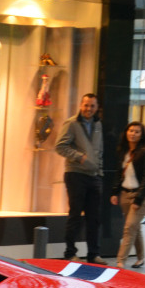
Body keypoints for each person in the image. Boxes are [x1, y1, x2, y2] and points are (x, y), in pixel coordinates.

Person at [55, 93, 105, 263]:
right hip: (75, 174)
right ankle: (70, 252)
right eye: (86, 105)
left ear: (96, 107)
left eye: (92, 106)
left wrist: (99, 171)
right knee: (75, 214)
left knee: (95, 217)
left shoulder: (98, 125)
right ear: (80, 105)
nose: (88, 109)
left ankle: (93, 254)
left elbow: (99, 151)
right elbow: (60, 146)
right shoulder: (71, 123)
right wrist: (80, 157)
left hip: (94, 176)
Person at [110, 121, 145, 269]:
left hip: (141, 196)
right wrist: (115, 192)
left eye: (137, 131)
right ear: (126, 133)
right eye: (131, 131)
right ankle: (141, 257)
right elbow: (118, 173)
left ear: (141, 135)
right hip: (124, 194)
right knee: (135, 227)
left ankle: (120, 261)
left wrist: (139, 198)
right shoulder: (123, 151)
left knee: (129, 228)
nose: (133, 134)